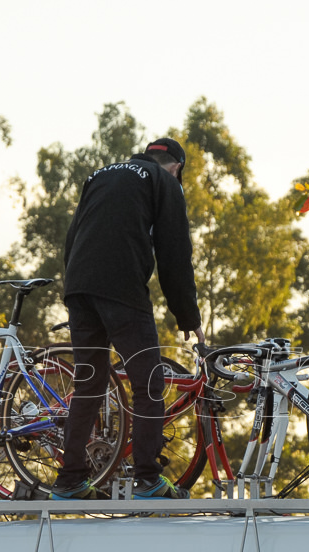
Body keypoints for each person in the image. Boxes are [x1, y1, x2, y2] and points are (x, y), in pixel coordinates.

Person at [53, 137, 206, 500]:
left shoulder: (100, 175)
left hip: (79, 287)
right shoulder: (164, 181)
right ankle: (148, 479)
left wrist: (79, 289)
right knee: (148, 381)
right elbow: (174, 253)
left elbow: (73, 239)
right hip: (121, 287)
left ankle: (70, 479)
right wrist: (188, 317)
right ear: (176, 167)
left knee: (89, 383)